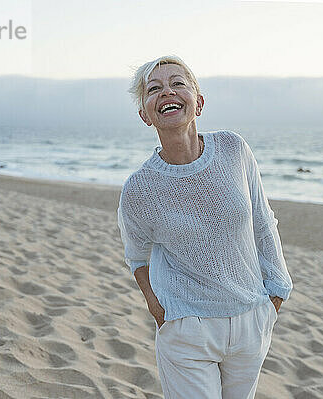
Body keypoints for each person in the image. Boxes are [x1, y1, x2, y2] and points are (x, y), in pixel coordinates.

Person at [117, 55, 293, 399]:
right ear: (145, 114)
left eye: (178, 83)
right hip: (187, 330)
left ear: (198, 102)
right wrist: (160, 309)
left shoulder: (233, 149)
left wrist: (276, 294)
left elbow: (262, 222)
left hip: (251, 320)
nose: (167, 92)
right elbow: (137, 258)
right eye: (154, 89)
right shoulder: (139, 188)